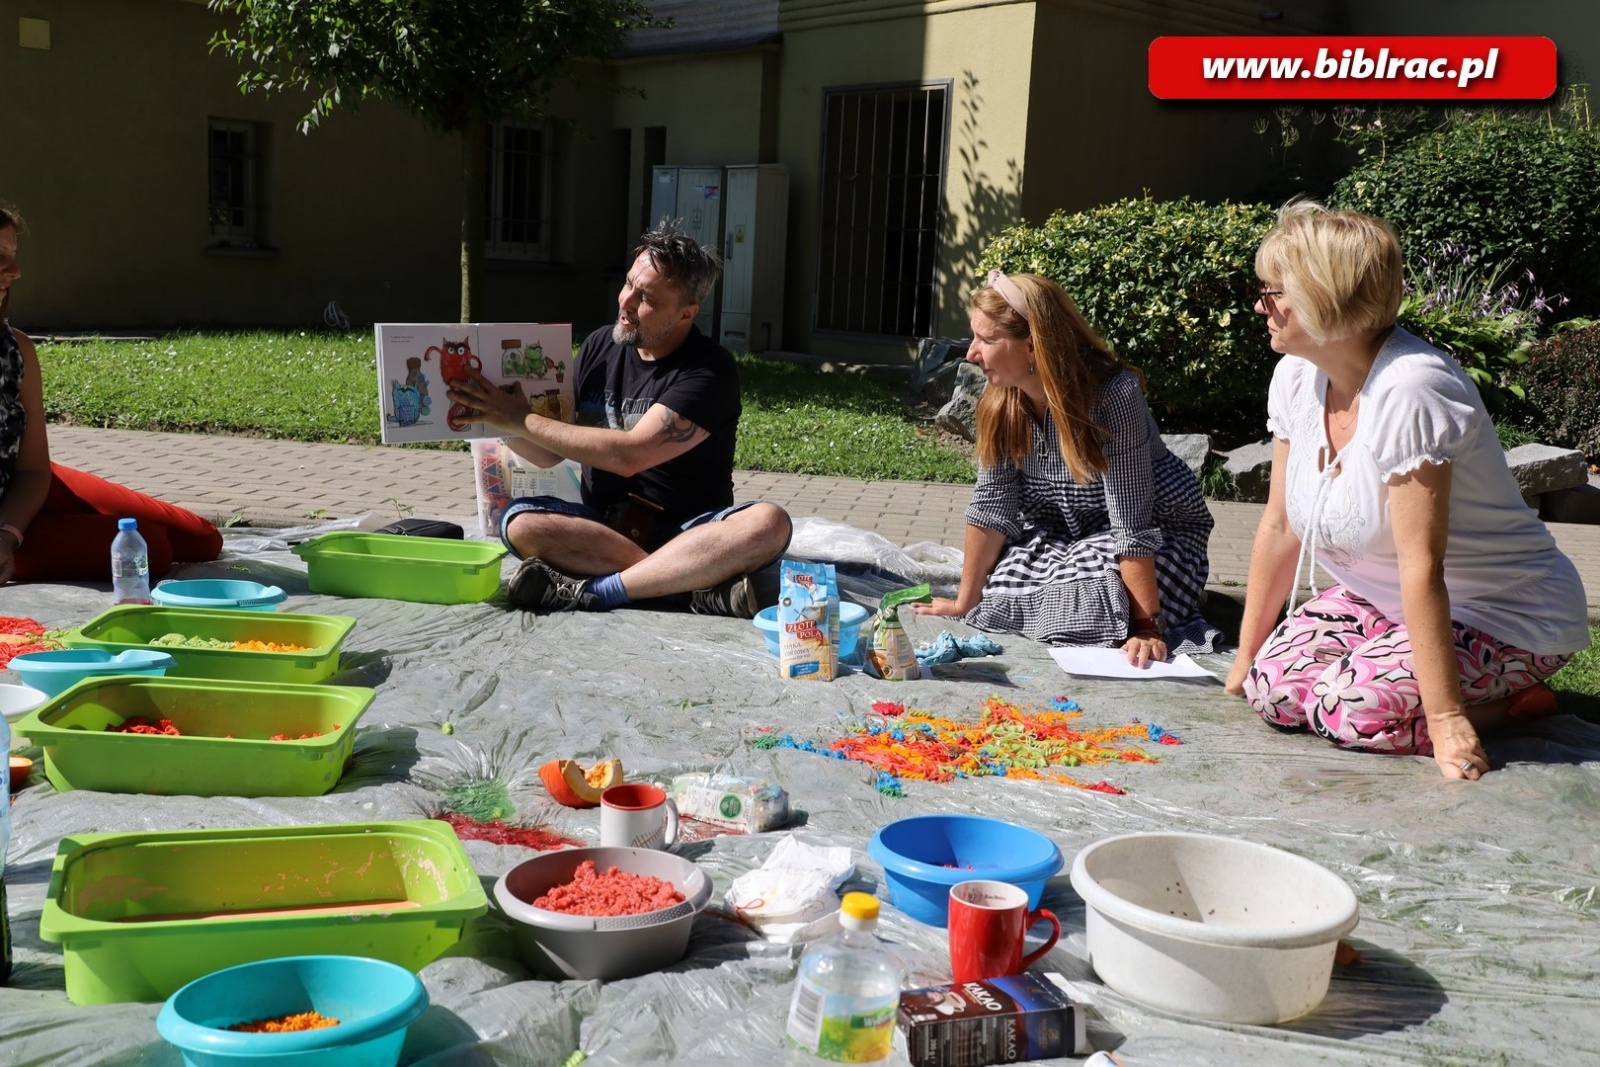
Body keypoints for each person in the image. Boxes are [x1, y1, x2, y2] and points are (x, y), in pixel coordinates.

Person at [1224, 201, 1590, 781]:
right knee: (1275, 691)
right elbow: (1279, 525)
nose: (1259, 305)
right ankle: (1387, 675)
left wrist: (1446, 719)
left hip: (1507, 612)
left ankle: (1508, 706)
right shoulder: (1296, 374)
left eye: (1273, 292)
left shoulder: (1412, 388)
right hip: (1383, 601)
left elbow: (1424, 564)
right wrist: (1244, 659)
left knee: (1348, 710)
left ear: (1326, 297)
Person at [448, 224, 791, 618]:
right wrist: (498, 420)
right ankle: (686, 585)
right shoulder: (598, 346)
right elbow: (546, 455)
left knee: (769, 523)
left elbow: (630, 455)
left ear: (686, 313)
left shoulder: (710, 370)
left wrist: (521, 418)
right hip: (604, 530)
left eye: (645, 297)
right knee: (517, 522)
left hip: (691, 531)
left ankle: (603, 590)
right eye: (628, 283)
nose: (625, 301)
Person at [913, 270, 1221, 664]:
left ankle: (1154, 605)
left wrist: (1146, 627)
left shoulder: (1113, 395)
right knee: (1002, 593)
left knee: (1095, 601)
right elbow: (991, 508)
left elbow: (1132, 520)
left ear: (1033, 347)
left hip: (1152, 535)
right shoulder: (1001, 398)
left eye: (987, 340)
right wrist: (964, 601)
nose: (972, 353)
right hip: (1062, 536)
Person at [0, 205, 222, 586]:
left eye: (13, 255)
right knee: (148, 549)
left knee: (202, 539)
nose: (15, 271)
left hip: (27, 488)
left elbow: (34, 469)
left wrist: (7, 533)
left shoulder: (15, 348)